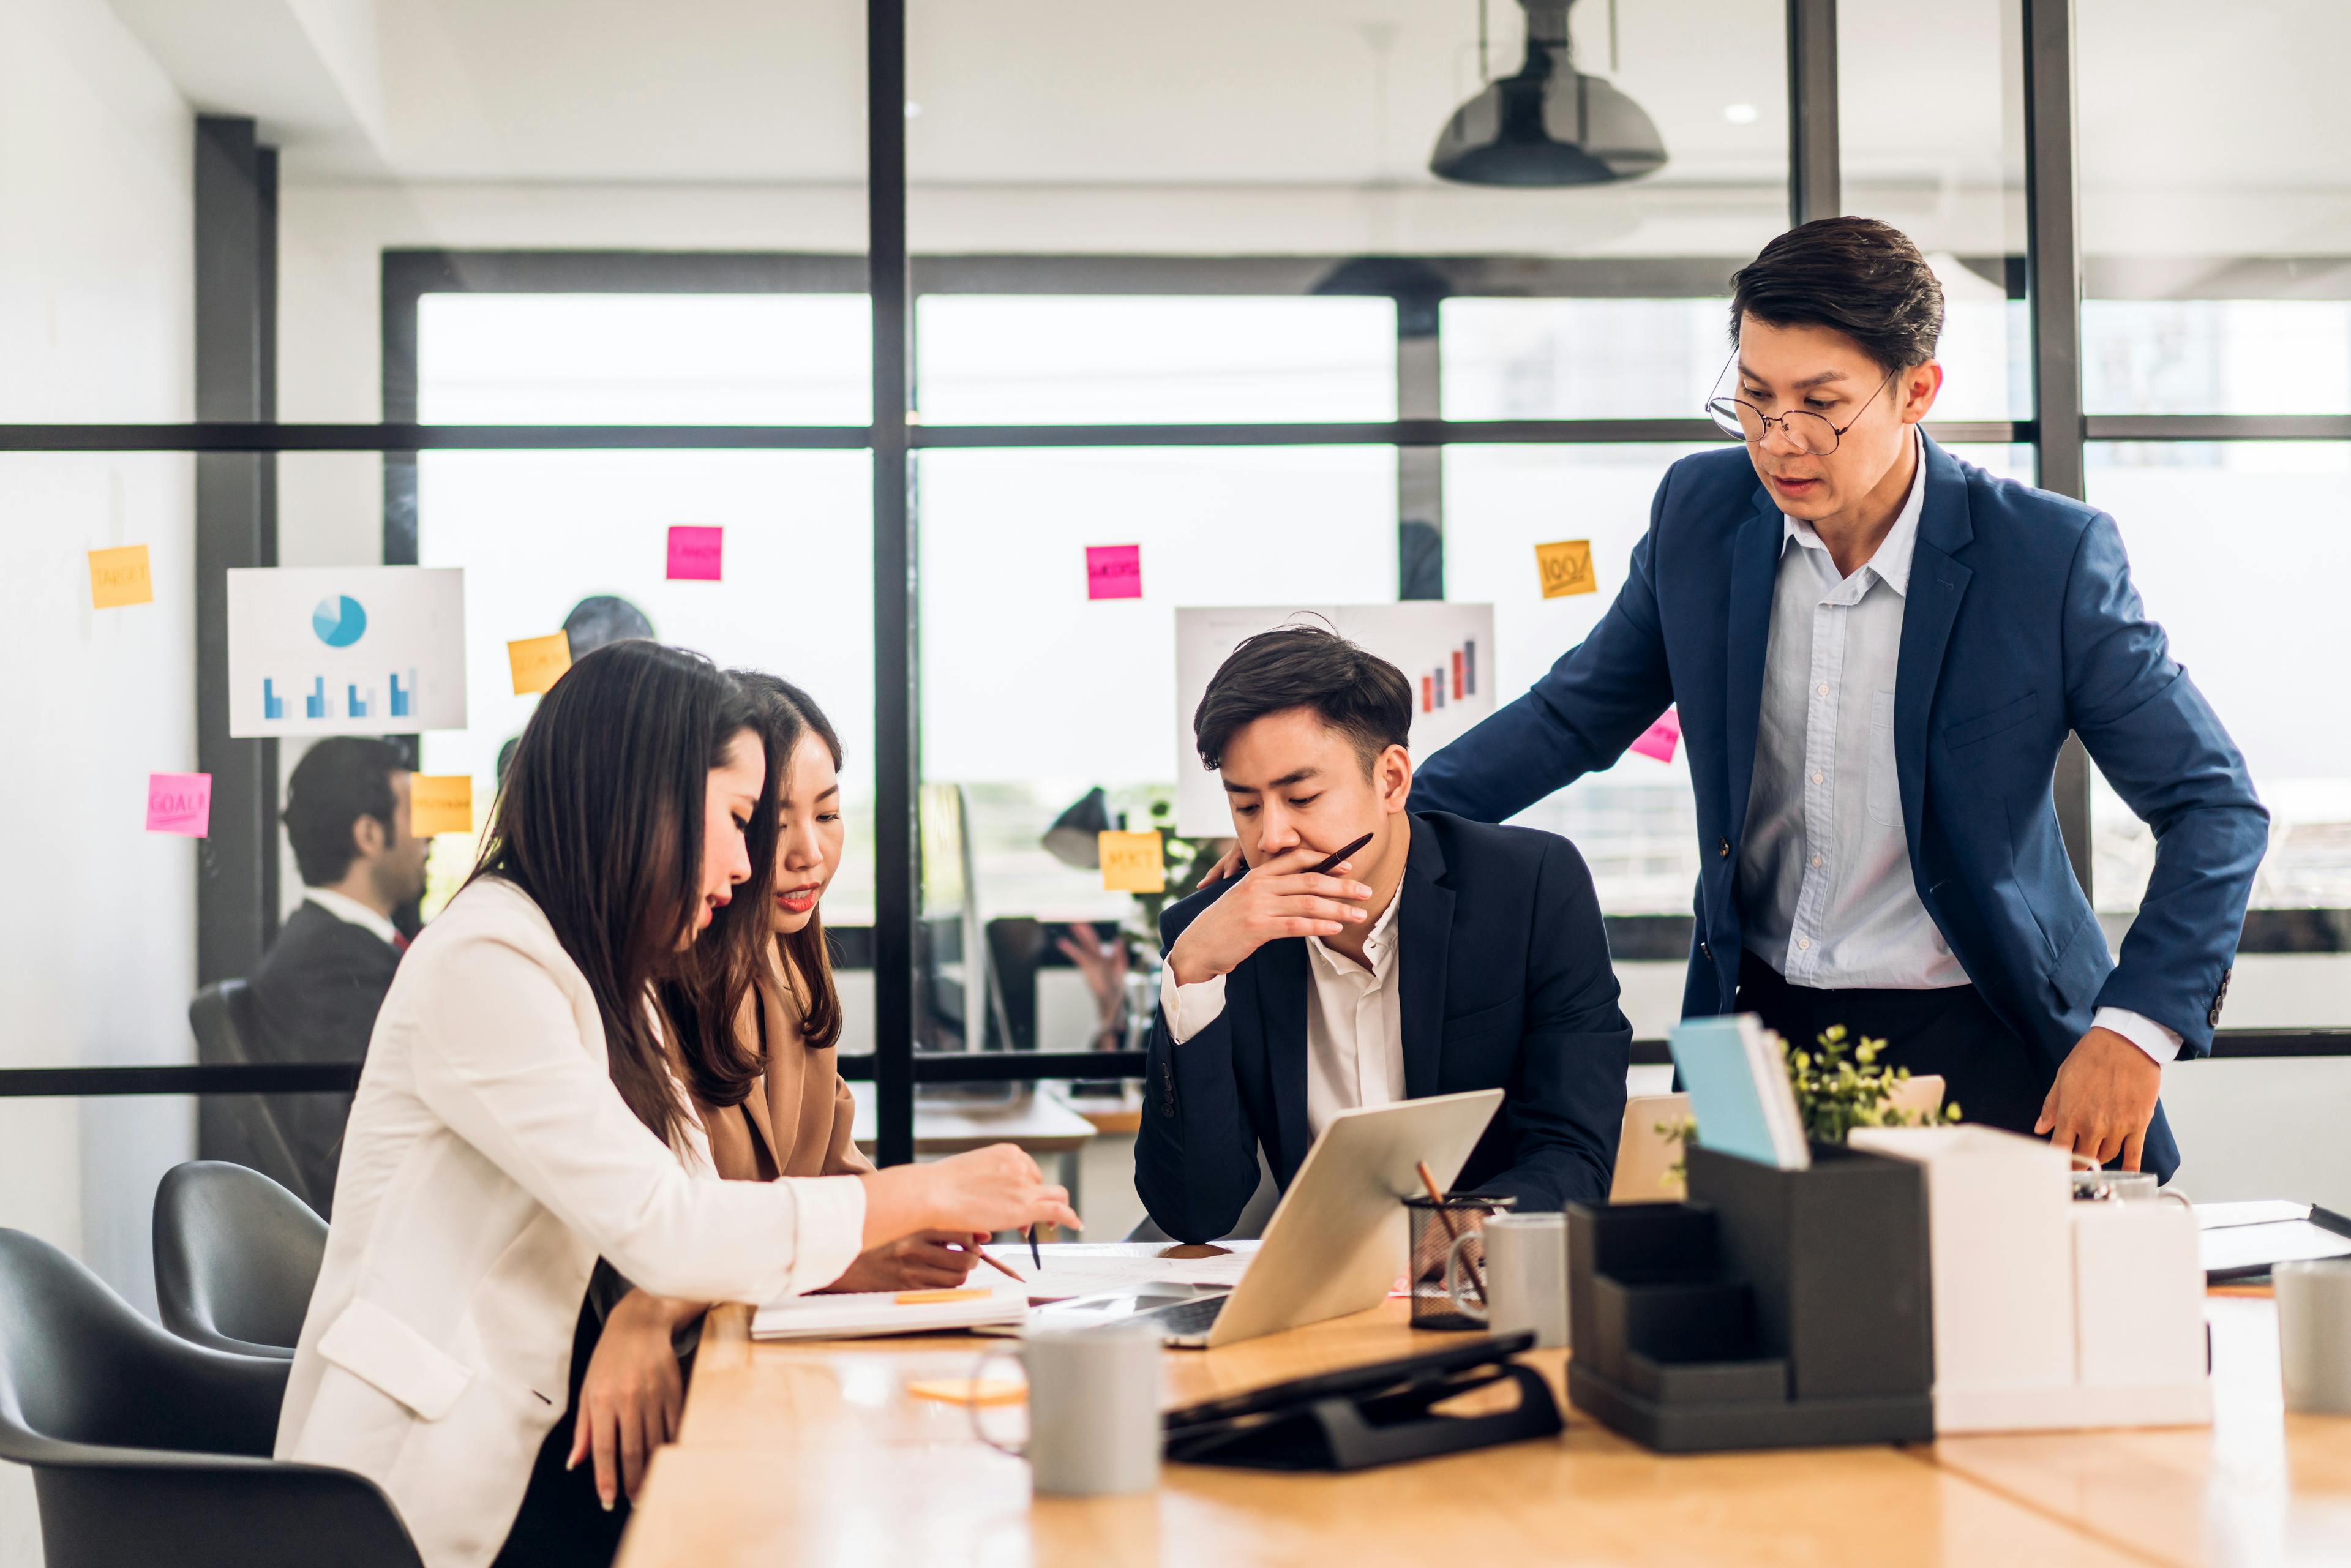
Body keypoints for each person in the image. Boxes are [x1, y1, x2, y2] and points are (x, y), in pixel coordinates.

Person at [1410, 217, 2268, 1180]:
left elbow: (2213, 806)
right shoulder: (1700, 514)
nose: (1781, 442)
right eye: (1754, 399)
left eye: (1821, 404)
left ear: (1917, 391)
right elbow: (1571, 717)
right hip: (1751, 1029)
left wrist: (2137, 1028)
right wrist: (1371, 829)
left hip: (1983, 1031)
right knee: (1738, 1306)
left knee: (1991, 1319)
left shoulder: (2046, 559)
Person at [276, 642, 1079, 1568]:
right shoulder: (485, 963)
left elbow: (704, 1205)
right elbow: (671, 1228)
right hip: (422, 1485)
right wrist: (922, 1195)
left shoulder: (611, 974)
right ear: (644, 801)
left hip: (529, 1444)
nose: (748, 865)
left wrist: (853, 1251)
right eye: (741, 819)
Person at [560, 673, 992, 1517]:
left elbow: (834, 1178)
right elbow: (652, 1234)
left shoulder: (794, 966)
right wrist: (657, 1310)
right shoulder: (648, 983)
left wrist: (911, 1224)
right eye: (765, 821)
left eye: (827, 814)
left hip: (763, 1368)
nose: (807, 852)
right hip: (652, 1390)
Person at [1134, 626, 1632, 1245]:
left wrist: (1464, 1229)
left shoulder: (1530, 889)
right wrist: (1196, 978)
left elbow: (1575, 1154)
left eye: (1302, 796)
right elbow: (1193, 1212)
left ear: (1392, 780)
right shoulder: (1215, 937)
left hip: (1482, 1287)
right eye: (1248, 806)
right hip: (1311, 1299)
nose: (1273, 838)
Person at [225, 737, 430, 1214]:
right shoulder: (330, 963)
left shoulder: (338, 946)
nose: (429, 837)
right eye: (415, 819)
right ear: (369, 835)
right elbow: (340, 1150)